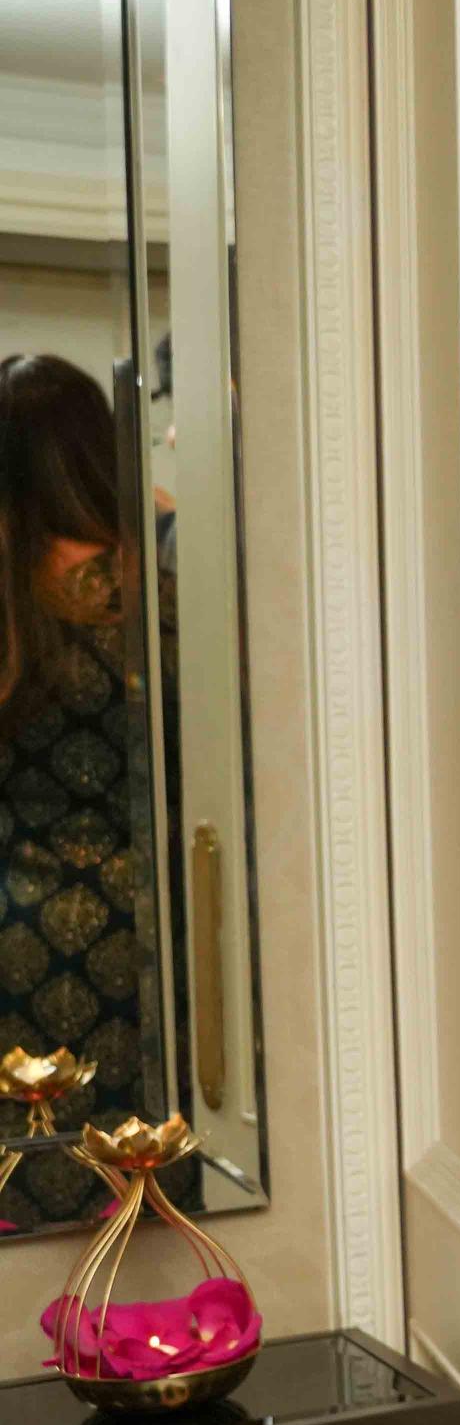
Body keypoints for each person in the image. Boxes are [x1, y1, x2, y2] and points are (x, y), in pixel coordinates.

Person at [0, 352, 156, 1228]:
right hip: (145, 926)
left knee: (25, 1171)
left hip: (15, 917)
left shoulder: (11, 594)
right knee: (129, 1176)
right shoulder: (156, 581)